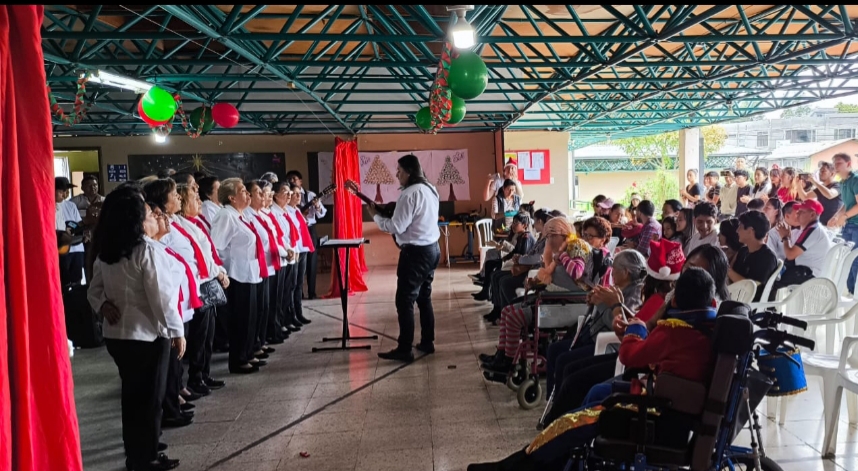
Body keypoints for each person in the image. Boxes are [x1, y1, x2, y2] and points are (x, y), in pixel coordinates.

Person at [470, 267, 718, 471]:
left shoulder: (676, 331)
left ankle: (521, 465)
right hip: (673, 410)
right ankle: (545, 460)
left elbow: (630, 356)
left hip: (657, 412)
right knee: (594, 394)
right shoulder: (706, 327)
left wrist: (639, 326)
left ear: (675, 300)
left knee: (570, 422)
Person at [87, 187, 184, 471]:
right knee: (150, 398)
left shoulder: (108, 251)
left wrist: (103, 304)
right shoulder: (146, 250)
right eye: (145, 209)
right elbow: (161, 298)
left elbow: (94, 290)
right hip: (147, 335)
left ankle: (137, 450)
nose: (149, 212)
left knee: (132, 397)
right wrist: (176, 331)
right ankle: (146, 457)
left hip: (118, 335)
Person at [369, 154, 441, 362]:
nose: (396, 174)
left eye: (399, 171)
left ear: (409, 172)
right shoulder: (430, 188)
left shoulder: (409, 194)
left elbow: (396, 226)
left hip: (415, 254)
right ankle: (427, 342)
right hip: (432, 249)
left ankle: (404, 348)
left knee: (404, 300)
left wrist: (376, 216)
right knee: (424, 298)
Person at [771, 199, 833, 298]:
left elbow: (790, 255)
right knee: (773, 273)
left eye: (801, 212)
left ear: (812, 215)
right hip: (805, 270)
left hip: (809, 274)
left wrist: (785, 237)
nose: (797, 214)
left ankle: (769, 307)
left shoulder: (813, 230)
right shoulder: (810, 228)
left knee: (771, 282)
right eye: (797, 211)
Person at [286, 170, 327, 300]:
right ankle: (299, 293)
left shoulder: (310, 195)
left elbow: (322, 213)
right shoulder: (287, 196)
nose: (292, 181)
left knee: (312, 261)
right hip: (295, 230)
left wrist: (317, 206)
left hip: (309, 229)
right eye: (289, 179)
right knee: (298, 262)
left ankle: (312, 292)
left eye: (294, 179)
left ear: (300, 181)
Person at [728, 211, 779, 302]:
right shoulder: (743, 251)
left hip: (751, 304)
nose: (737, 231)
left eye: (740, 227)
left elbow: (750, 287)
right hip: (735, 297)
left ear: (750, 231)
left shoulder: (767, 257)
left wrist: (727, 270)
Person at [829, 153, 858, 294]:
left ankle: (855, 293)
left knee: (855, 260)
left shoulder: (855, 180)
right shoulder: (843, 182)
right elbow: (847, 204)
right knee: (846, 259)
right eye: (834, 163)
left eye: (839, 163)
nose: (836, 166)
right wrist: (836, 216)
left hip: (856, 226)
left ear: (848, 164)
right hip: (848, 225)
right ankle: (851, 292)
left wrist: (845, 216)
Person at [56, 176, 85, 286]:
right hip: (60, 249)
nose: (65, 194)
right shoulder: (50, 206)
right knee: (62, 280)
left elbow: (77, 224)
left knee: (76, 280)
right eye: (62, 191)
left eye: (66, 191)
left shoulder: (70, 205)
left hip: (75, 247)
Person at [799, 161, 842, 226]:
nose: (820, 173)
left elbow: (830, 195)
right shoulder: (821, 187)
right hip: (821, 223)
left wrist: (814, 181)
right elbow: (805, 197)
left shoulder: (837, 185)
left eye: (823, 171)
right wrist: (798, 184)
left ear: (832, 174)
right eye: (820, 171)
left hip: (832, 224)